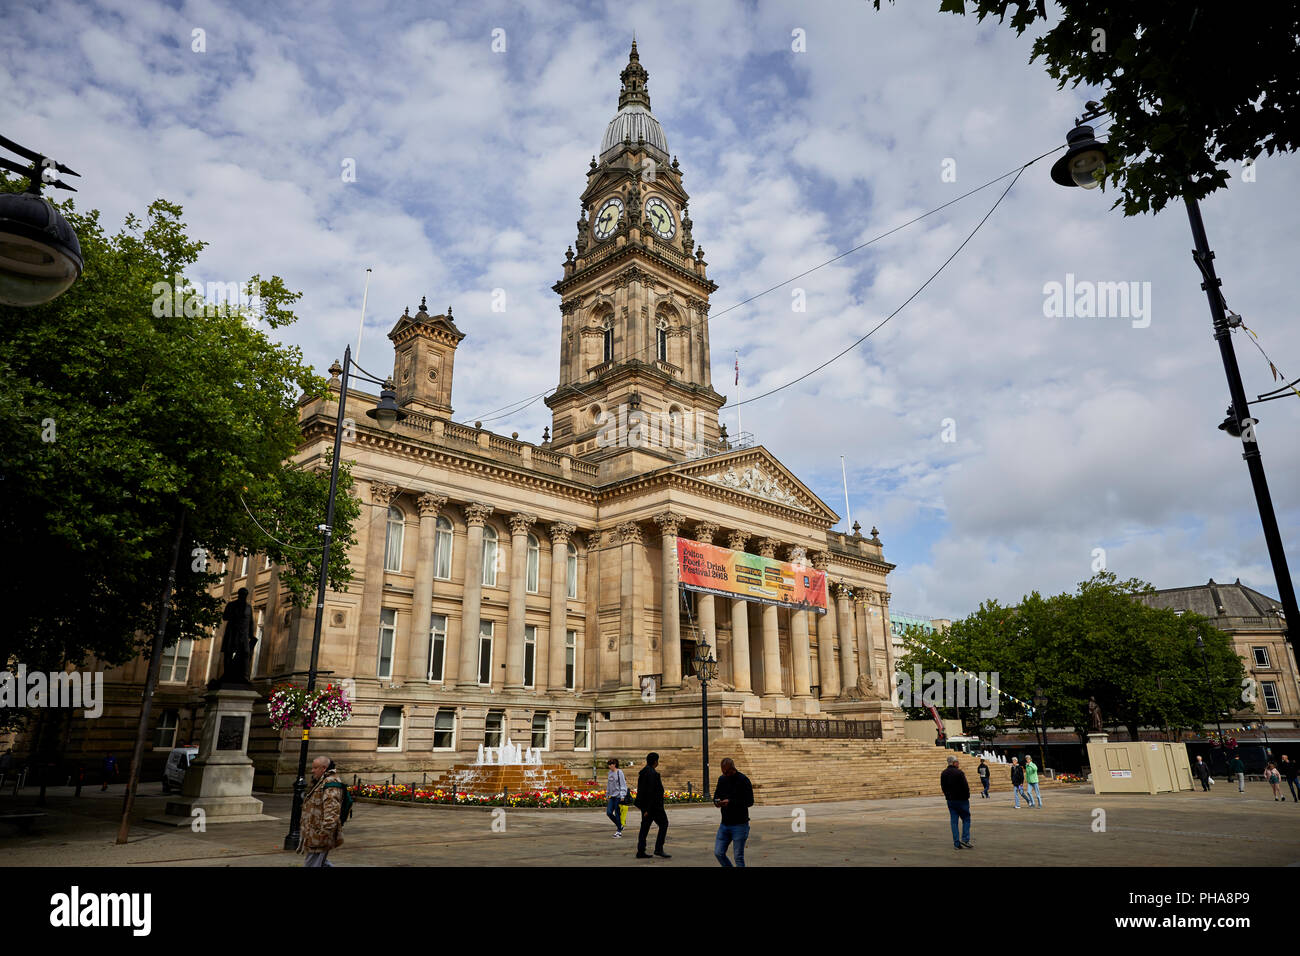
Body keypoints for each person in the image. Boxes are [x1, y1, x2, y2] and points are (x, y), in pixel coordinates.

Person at [299, 756, 345, 867]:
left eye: (315, 768)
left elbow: (332, 811)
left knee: (312, 864)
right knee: (321, 863)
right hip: (314, 834)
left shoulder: (330, 783)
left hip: (319, 836)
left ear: (323, 768)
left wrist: (323, 834)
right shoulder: (321, 781)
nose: (312, 770)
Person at [712, 757, 754, 867]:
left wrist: (730, 802)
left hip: (740, 824)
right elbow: (717, 795)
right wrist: (717, 802)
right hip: (725, 823)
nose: (725, 774)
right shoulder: (722, 779)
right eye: (723, 772)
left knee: (738, 856)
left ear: (732, 768)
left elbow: (750, 801)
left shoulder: (743, 780)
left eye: (727, 772)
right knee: (718, 852)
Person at [634, 752, 669, 859]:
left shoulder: (644, 772)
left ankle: (641, 850)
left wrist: (643, 807)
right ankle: (658, 848)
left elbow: (641, 791)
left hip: (647, 806)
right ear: (655, 762)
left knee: (644, 827)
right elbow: (650, 792)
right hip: (654, 807)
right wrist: (647, 809)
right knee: (663, 824)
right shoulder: (652, 774)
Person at [940, 755, 972, 849]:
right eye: (957, 762)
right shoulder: (959, 773)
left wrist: (947, 796)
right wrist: (967, 796)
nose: (958, 763)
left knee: (954, 821)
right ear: (954, 763)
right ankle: (965, 839)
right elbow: (965, 786)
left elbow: (943, 787)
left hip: (950, 800)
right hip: (962, 800)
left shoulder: (944, 773)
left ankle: (956, 843)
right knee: (966, 819)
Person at [605, 758, 629, 837]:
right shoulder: (610, 773)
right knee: (609, 812)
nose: (609, 766)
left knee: (617, 813)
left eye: (610, 764)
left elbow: (623, 784)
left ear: (614, 765)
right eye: (608, 765)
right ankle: (620, 825)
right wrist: (607, 794)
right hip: (612, 796)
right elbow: (609, 785)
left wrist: (622, 795)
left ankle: (619, 831)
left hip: (619, 796)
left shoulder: (619, 772)